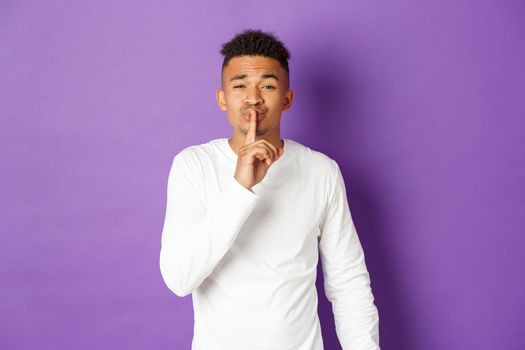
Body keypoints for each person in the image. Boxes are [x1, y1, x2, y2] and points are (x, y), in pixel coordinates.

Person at [159, 29, 380, 350]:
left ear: (287, 99)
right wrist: (240, 188)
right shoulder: (194, 165)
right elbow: (179, 279)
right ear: (222, 99)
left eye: (267, 85)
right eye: (239, 85)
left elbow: (349, 283)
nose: (253, 97)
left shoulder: (321, 171)